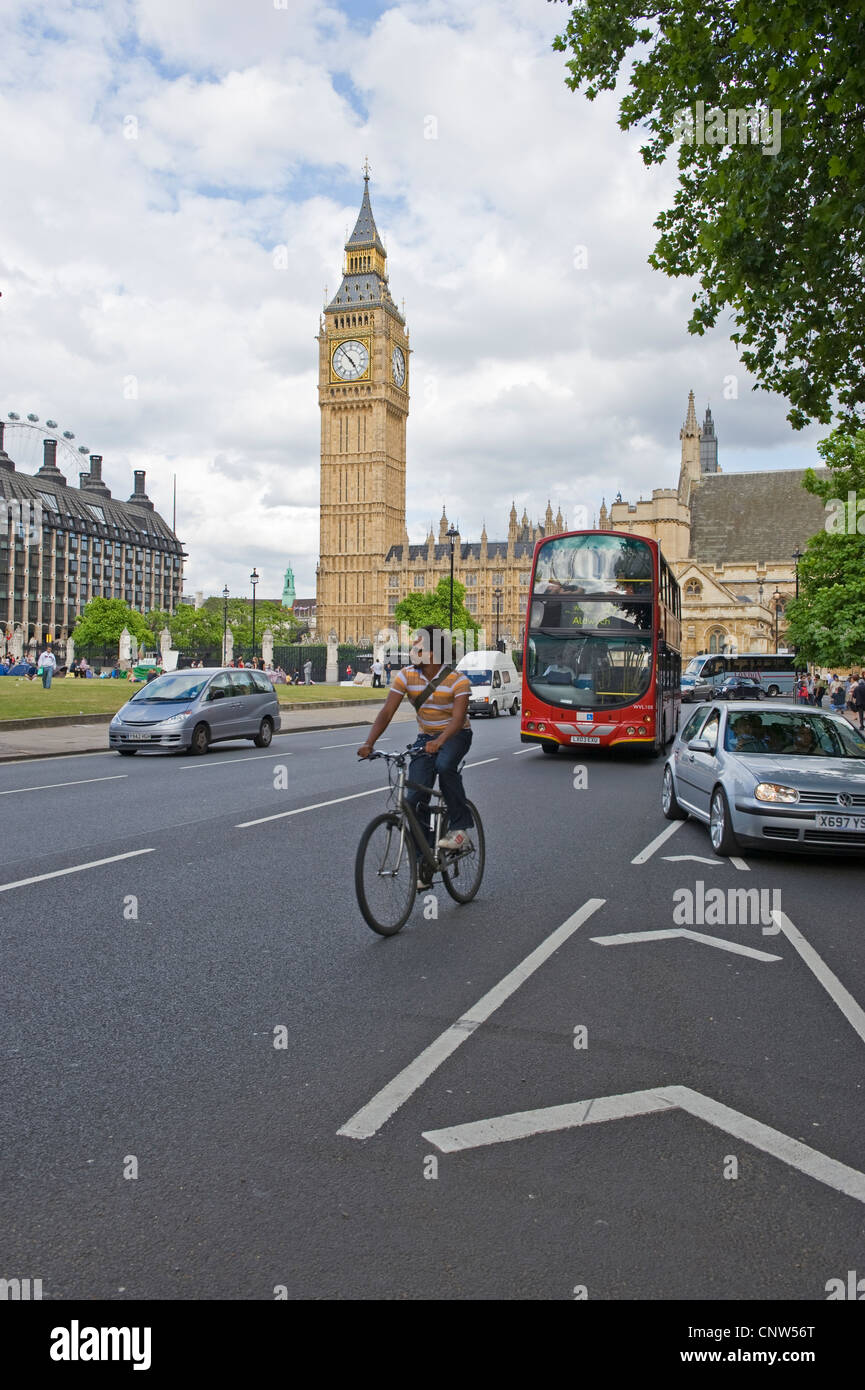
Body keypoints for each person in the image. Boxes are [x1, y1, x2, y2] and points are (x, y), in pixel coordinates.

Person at [358, 626, 475, 889]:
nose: (412, 652)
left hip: (455, 735)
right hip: (426, 739)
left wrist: (441, 741)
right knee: (412, 801)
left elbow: (457, 721)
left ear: (433, 653)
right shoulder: (405, 676)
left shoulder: (458, 680)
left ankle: (460, 828)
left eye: (418, 648)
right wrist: (369, 742)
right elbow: (387, 712)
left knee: (446, 766)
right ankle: (425, 859)